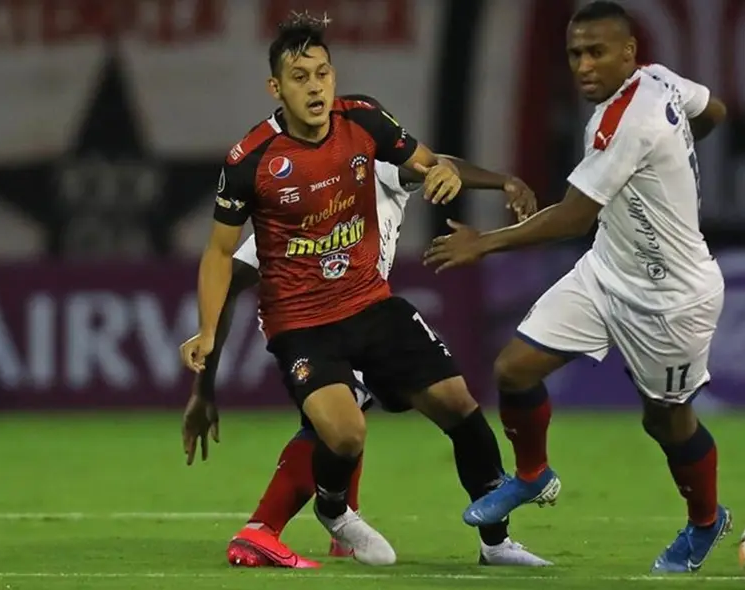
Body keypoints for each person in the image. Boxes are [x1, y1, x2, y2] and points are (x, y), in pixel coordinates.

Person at [179, 12, 545, 567]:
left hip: (370, 304)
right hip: (301, 324)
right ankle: (332, 510)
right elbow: (219, 257)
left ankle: (496, 544)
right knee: (345, 433)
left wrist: (442, 172)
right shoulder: (251, 160)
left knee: (461, 407)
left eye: (322, 73)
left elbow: (427, 162)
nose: (315, 87)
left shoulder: (364, 122)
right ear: (276, 88)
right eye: (299, 77)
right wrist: (206, 338)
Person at [422, 0, 730, 574]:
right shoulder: (659, 79)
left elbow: (572, 217)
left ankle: (706, 520)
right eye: (574, 54)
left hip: (671, 298)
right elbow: (713, 109)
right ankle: (533, 474)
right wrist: (675, 157)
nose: (584, 66)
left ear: (628, 53)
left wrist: (483, 243)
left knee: (666, 422)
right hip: (607, 269)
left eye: (597, 52)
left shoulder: (626, 122)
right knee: (514, 369)